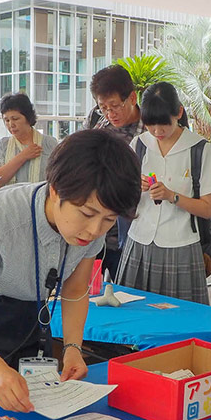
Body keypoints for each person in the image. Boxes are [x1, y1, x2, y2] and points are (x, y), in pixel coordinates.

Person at [0, 129, 141, 411]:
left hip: (33, 312)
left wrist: (72, 348)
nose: (95, 230)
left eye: (109, 219)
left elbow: (75, 289)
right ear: (55, 191)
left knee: (33, 409)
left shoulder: (92, 225)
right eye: (87, 214)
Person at [116, 81, 211, 304]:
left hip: (181, 245)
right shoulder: (139, 144)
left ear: (179, 113)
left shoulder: (199, 149)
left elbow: (207, 209)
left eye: (164, 124)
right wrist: (134, 186)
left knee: (180, 315)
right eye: (150, 125)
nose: (157, 131)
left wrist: (172, 196)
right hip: (139, 242)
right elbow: (123, 198)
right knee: (135, 313)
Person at [89, 64, 144, 277]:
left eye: (114, 106)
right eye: (103, 107)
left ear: (132, 98)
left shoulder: (152, 130)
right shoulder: (96, 123)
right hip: (94, 232)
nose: (110, 113)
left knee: (127, 291)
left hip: (133, 233)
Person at [0, 93, 58, 187]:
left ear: (28, 118)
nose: (11, 124)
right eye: (7, 120)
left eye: (15, 119)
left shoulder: (49, 143)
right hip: (9, 196)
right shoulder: (4, 144)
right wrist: (22, 156)